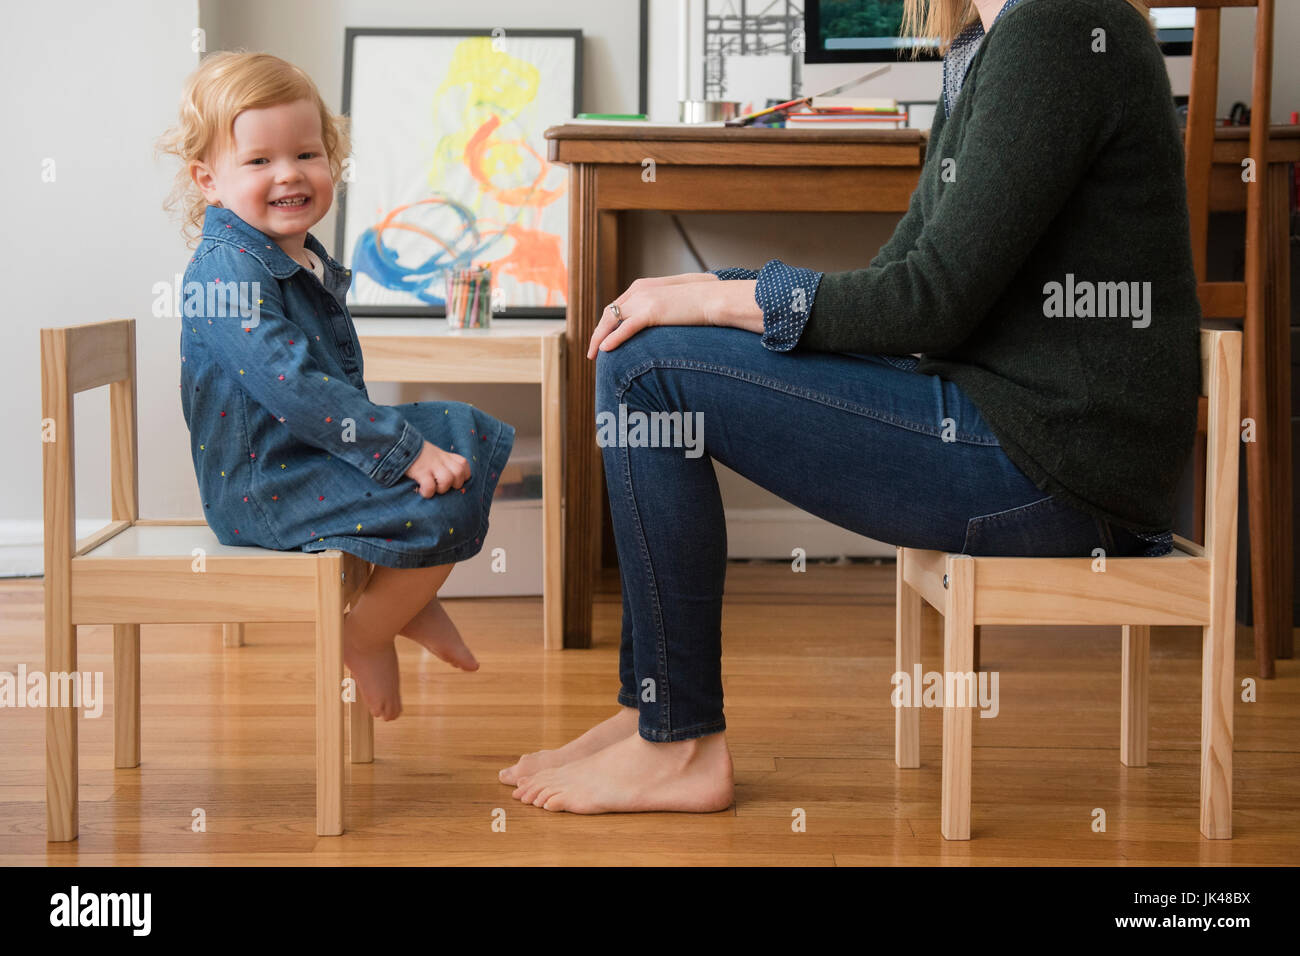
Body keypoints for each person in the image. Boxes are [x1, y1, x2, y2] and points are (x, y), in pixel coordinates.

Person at [500, 0, 1199, 813]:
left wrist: (710, 299)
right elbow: (901, 277)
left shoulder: (1056, 25)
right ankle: (653, 708)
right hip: (1027, 437)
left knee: (648, 369)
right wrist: (709, 289)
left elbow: (926, 304)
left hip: (1057, 472)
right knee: (645, 345)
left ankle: (682, 745)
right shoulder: (986, 41)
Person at [158, 52, 516, 722]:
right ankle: (366, 633)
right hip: (266, 487)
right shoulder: (227, 274)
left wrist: (413, 442)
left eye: (307, 153)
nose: (289, 173)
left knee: (466, 431)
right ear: (208, 180)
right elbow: (293, 386)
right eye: (259, 161)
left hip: (305, 459)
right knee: (438, 497)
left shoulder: (290, 252)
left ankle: (402, 597)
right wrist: (404, 451)